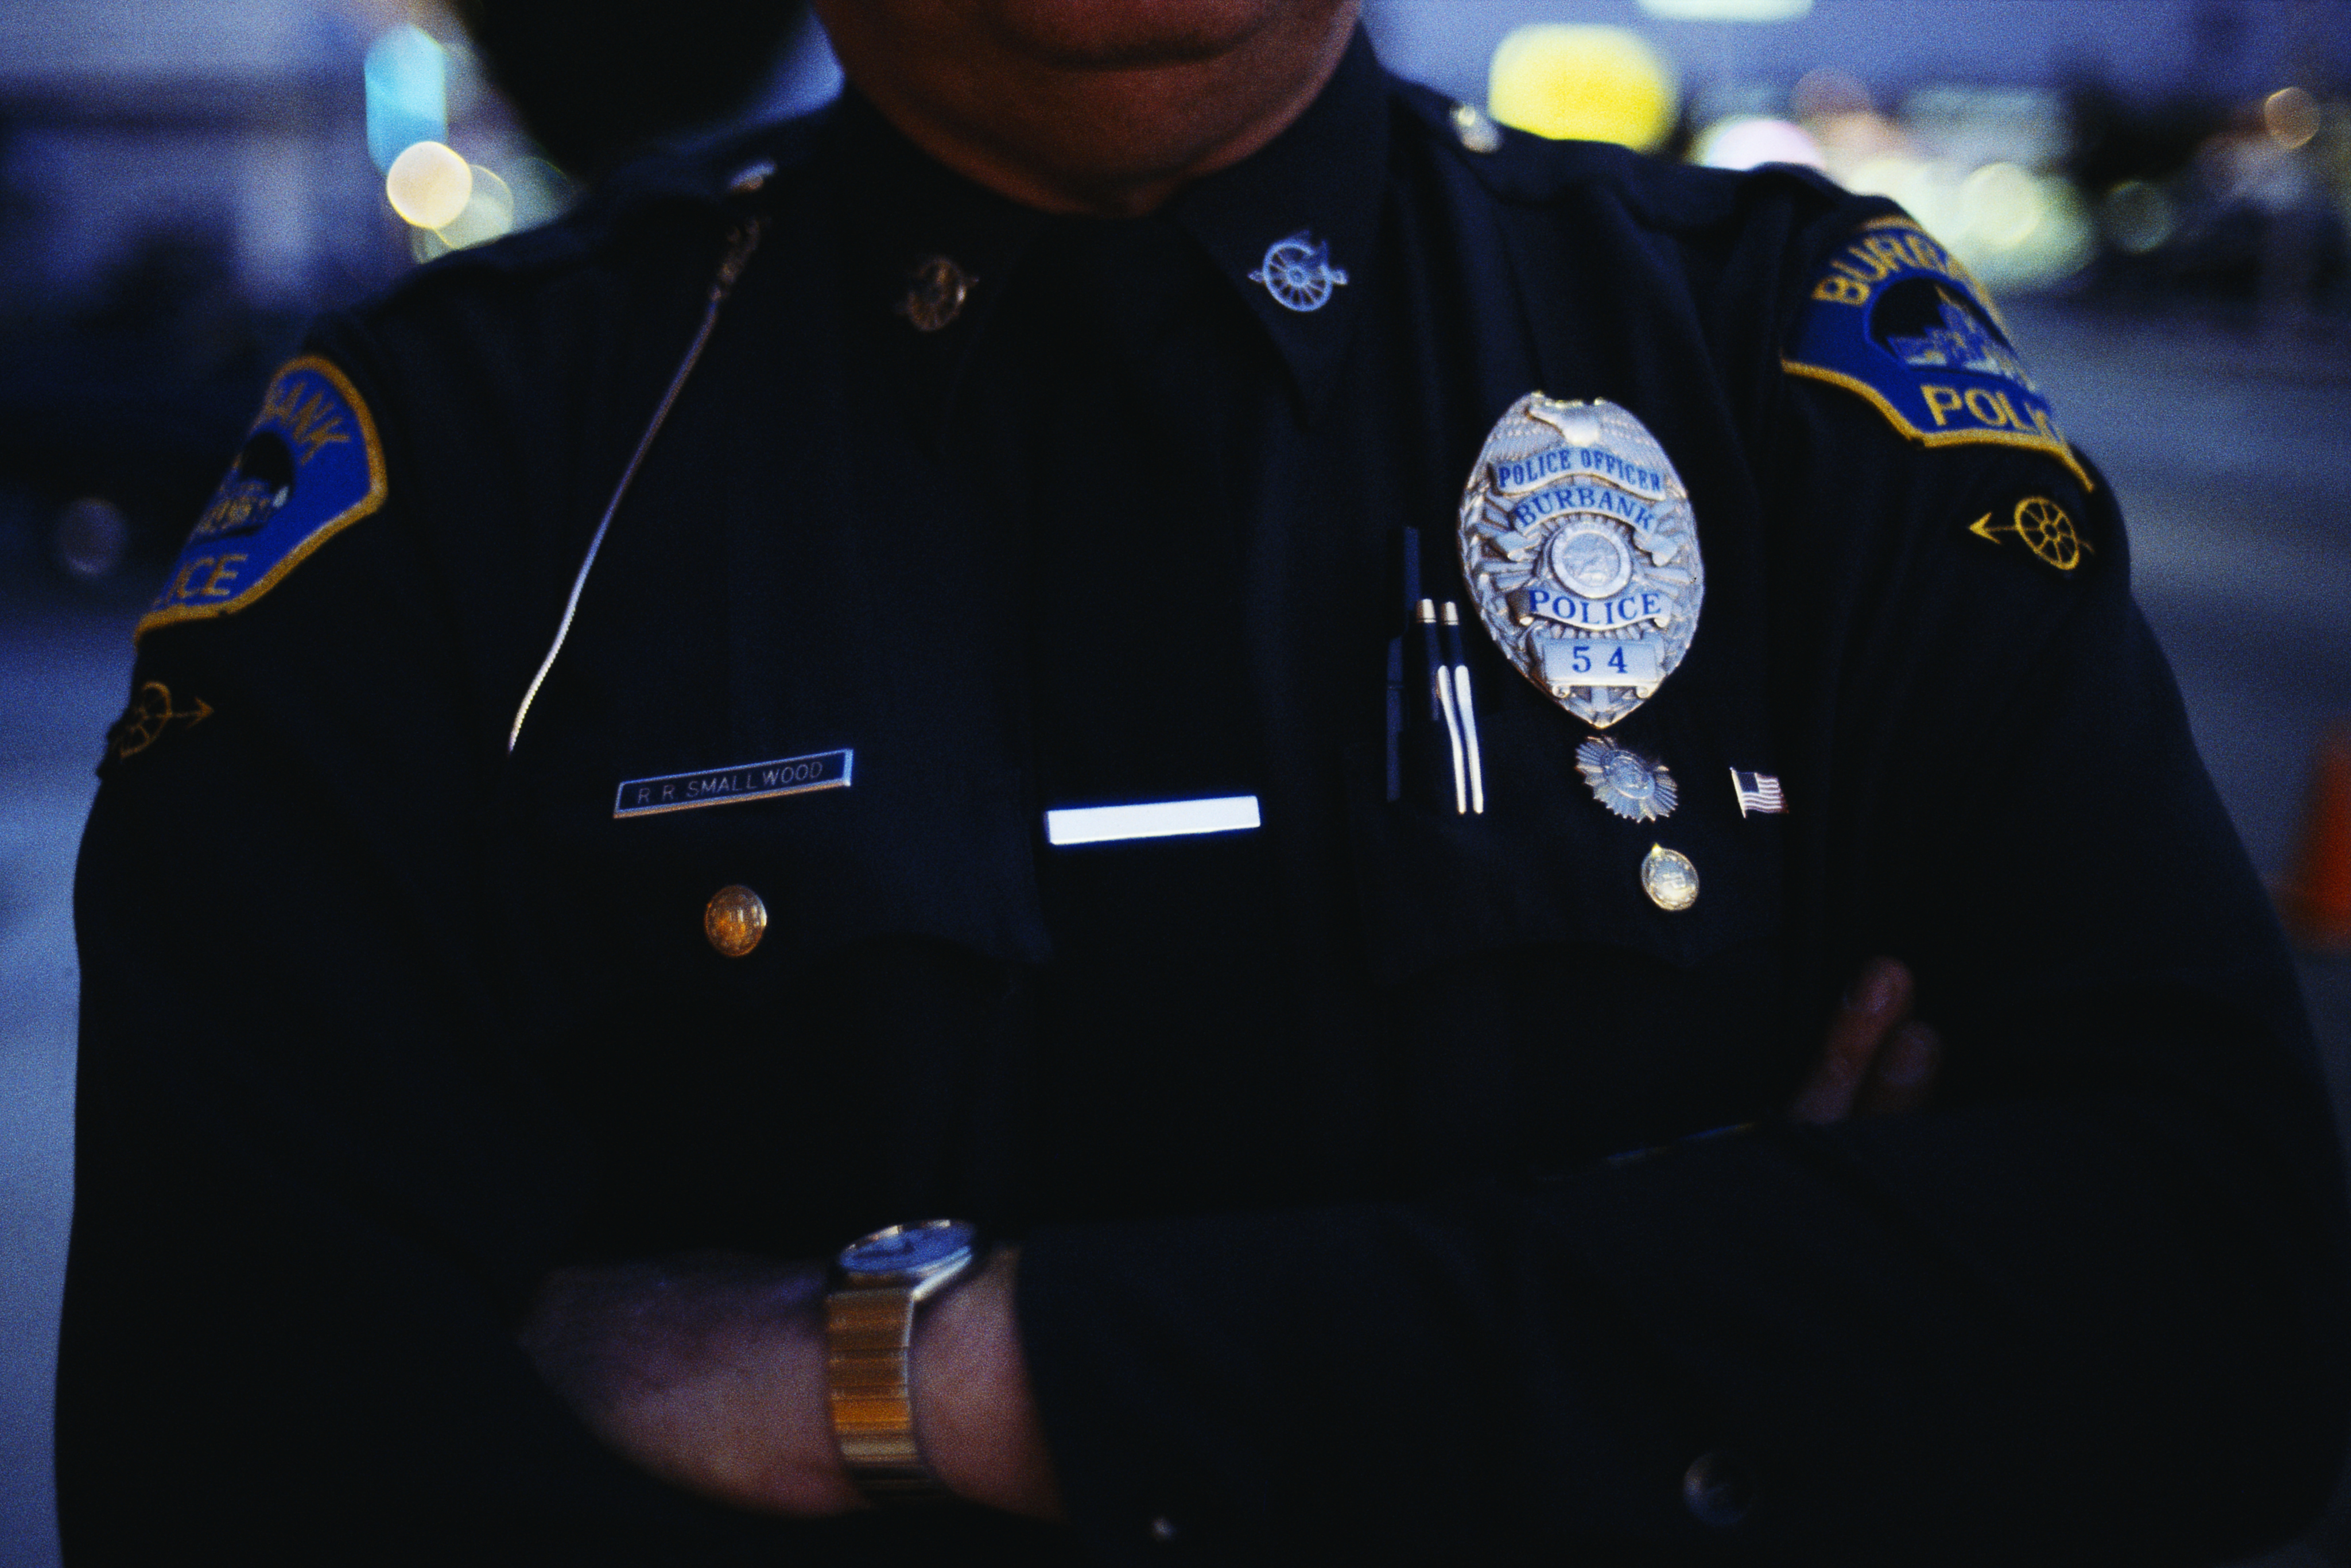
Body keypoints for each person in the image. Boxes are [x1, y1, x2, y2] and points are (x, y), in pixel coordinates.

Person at [59, 2, 2349, 1563]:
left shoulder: (1771, 374)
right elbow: (246, 1464)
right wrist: (1738, 1319)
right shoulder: (459, 474)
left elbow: (2217, 1315)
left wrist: (926, 1375)